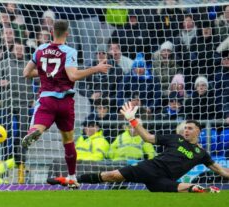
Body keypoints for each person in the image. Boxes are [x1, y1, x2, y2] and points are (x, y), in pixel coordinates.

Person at [22, 20, 112, 188]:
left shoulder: (40, 50)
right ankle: (72, 177)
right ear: (67, 34)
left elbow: (26, 73)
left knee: (38, 126)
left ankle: (34, 132)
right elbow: (72, 76)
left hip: (47, 99)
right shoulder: (69, 51)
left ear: (51, 32)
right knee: (68, 141)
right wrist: (95, 68)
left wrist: (44, 73)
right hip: (65, 101)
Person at [73, 102, 229, 193]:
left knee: (192, 189)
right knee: (112, 175)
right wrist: (133, 120)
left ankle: (206, 190)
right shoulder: (175, 138)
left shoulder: (201, 154)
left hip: (163, 181)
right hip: (150, 168)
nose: (186, 130)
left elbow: (221, 171)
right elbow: (147, 137)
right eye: (185, 128)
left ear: (198, 131)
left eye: (190, 128)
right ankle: (74, 180)